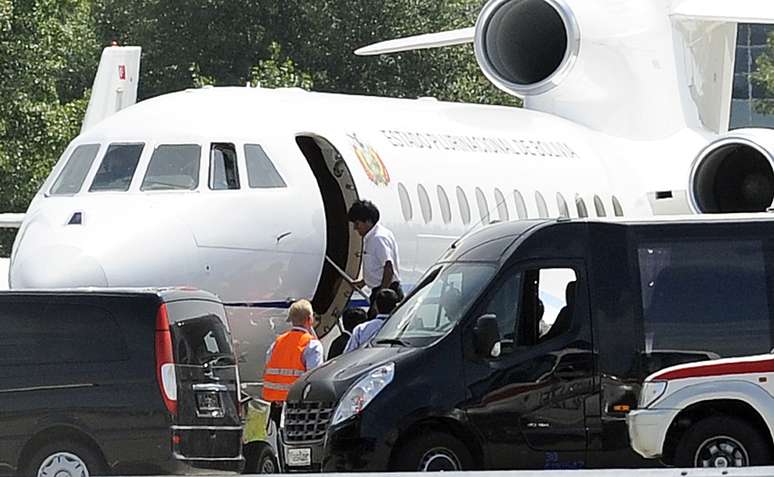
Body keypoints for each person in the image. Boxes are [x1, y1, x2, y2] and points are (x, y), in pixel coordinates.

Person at [262, 299, 323, 430]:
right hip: (299, 406)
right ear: (309, 319)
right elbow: (314, 377)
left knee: (279, 442)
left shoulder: (278, 342)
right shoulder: (312, 345)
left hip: (276, 405)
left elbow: (268, 365)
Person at [347, 199, 403, 318]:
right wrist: (363, 282)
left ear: (368, 221)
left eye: (357, 224)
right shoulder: (371, 237)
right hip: (381, 290)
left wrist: (380, 299)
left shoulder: (378, 238)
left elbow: (388, 268)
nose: (355, 229)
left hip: (386, 293)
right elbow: (377, 266)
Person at [343, 288, 399, 353]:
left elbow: (348, 354)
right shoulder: (402, 328)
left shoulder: (361, 329)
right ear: (396, 306)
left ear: (375, 306)